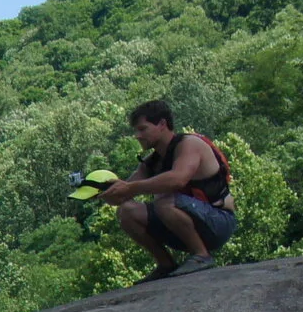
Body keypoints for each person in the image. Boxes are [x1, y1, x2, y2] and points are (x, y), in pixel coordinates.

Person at [100, 99, 235, 280]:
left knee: (164, 201)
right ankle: (165, 265)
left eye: (142, 129)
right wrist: (100, 192)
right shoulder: (152, 162)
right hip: (186, 225)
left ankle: (202, 256)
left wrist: (130, 188)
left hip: (218, 222)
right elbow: (122, 194)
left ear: (162, 124)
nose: (137, 136)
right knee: (127, 211)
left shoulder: (189, 144)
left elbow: (177, 180)